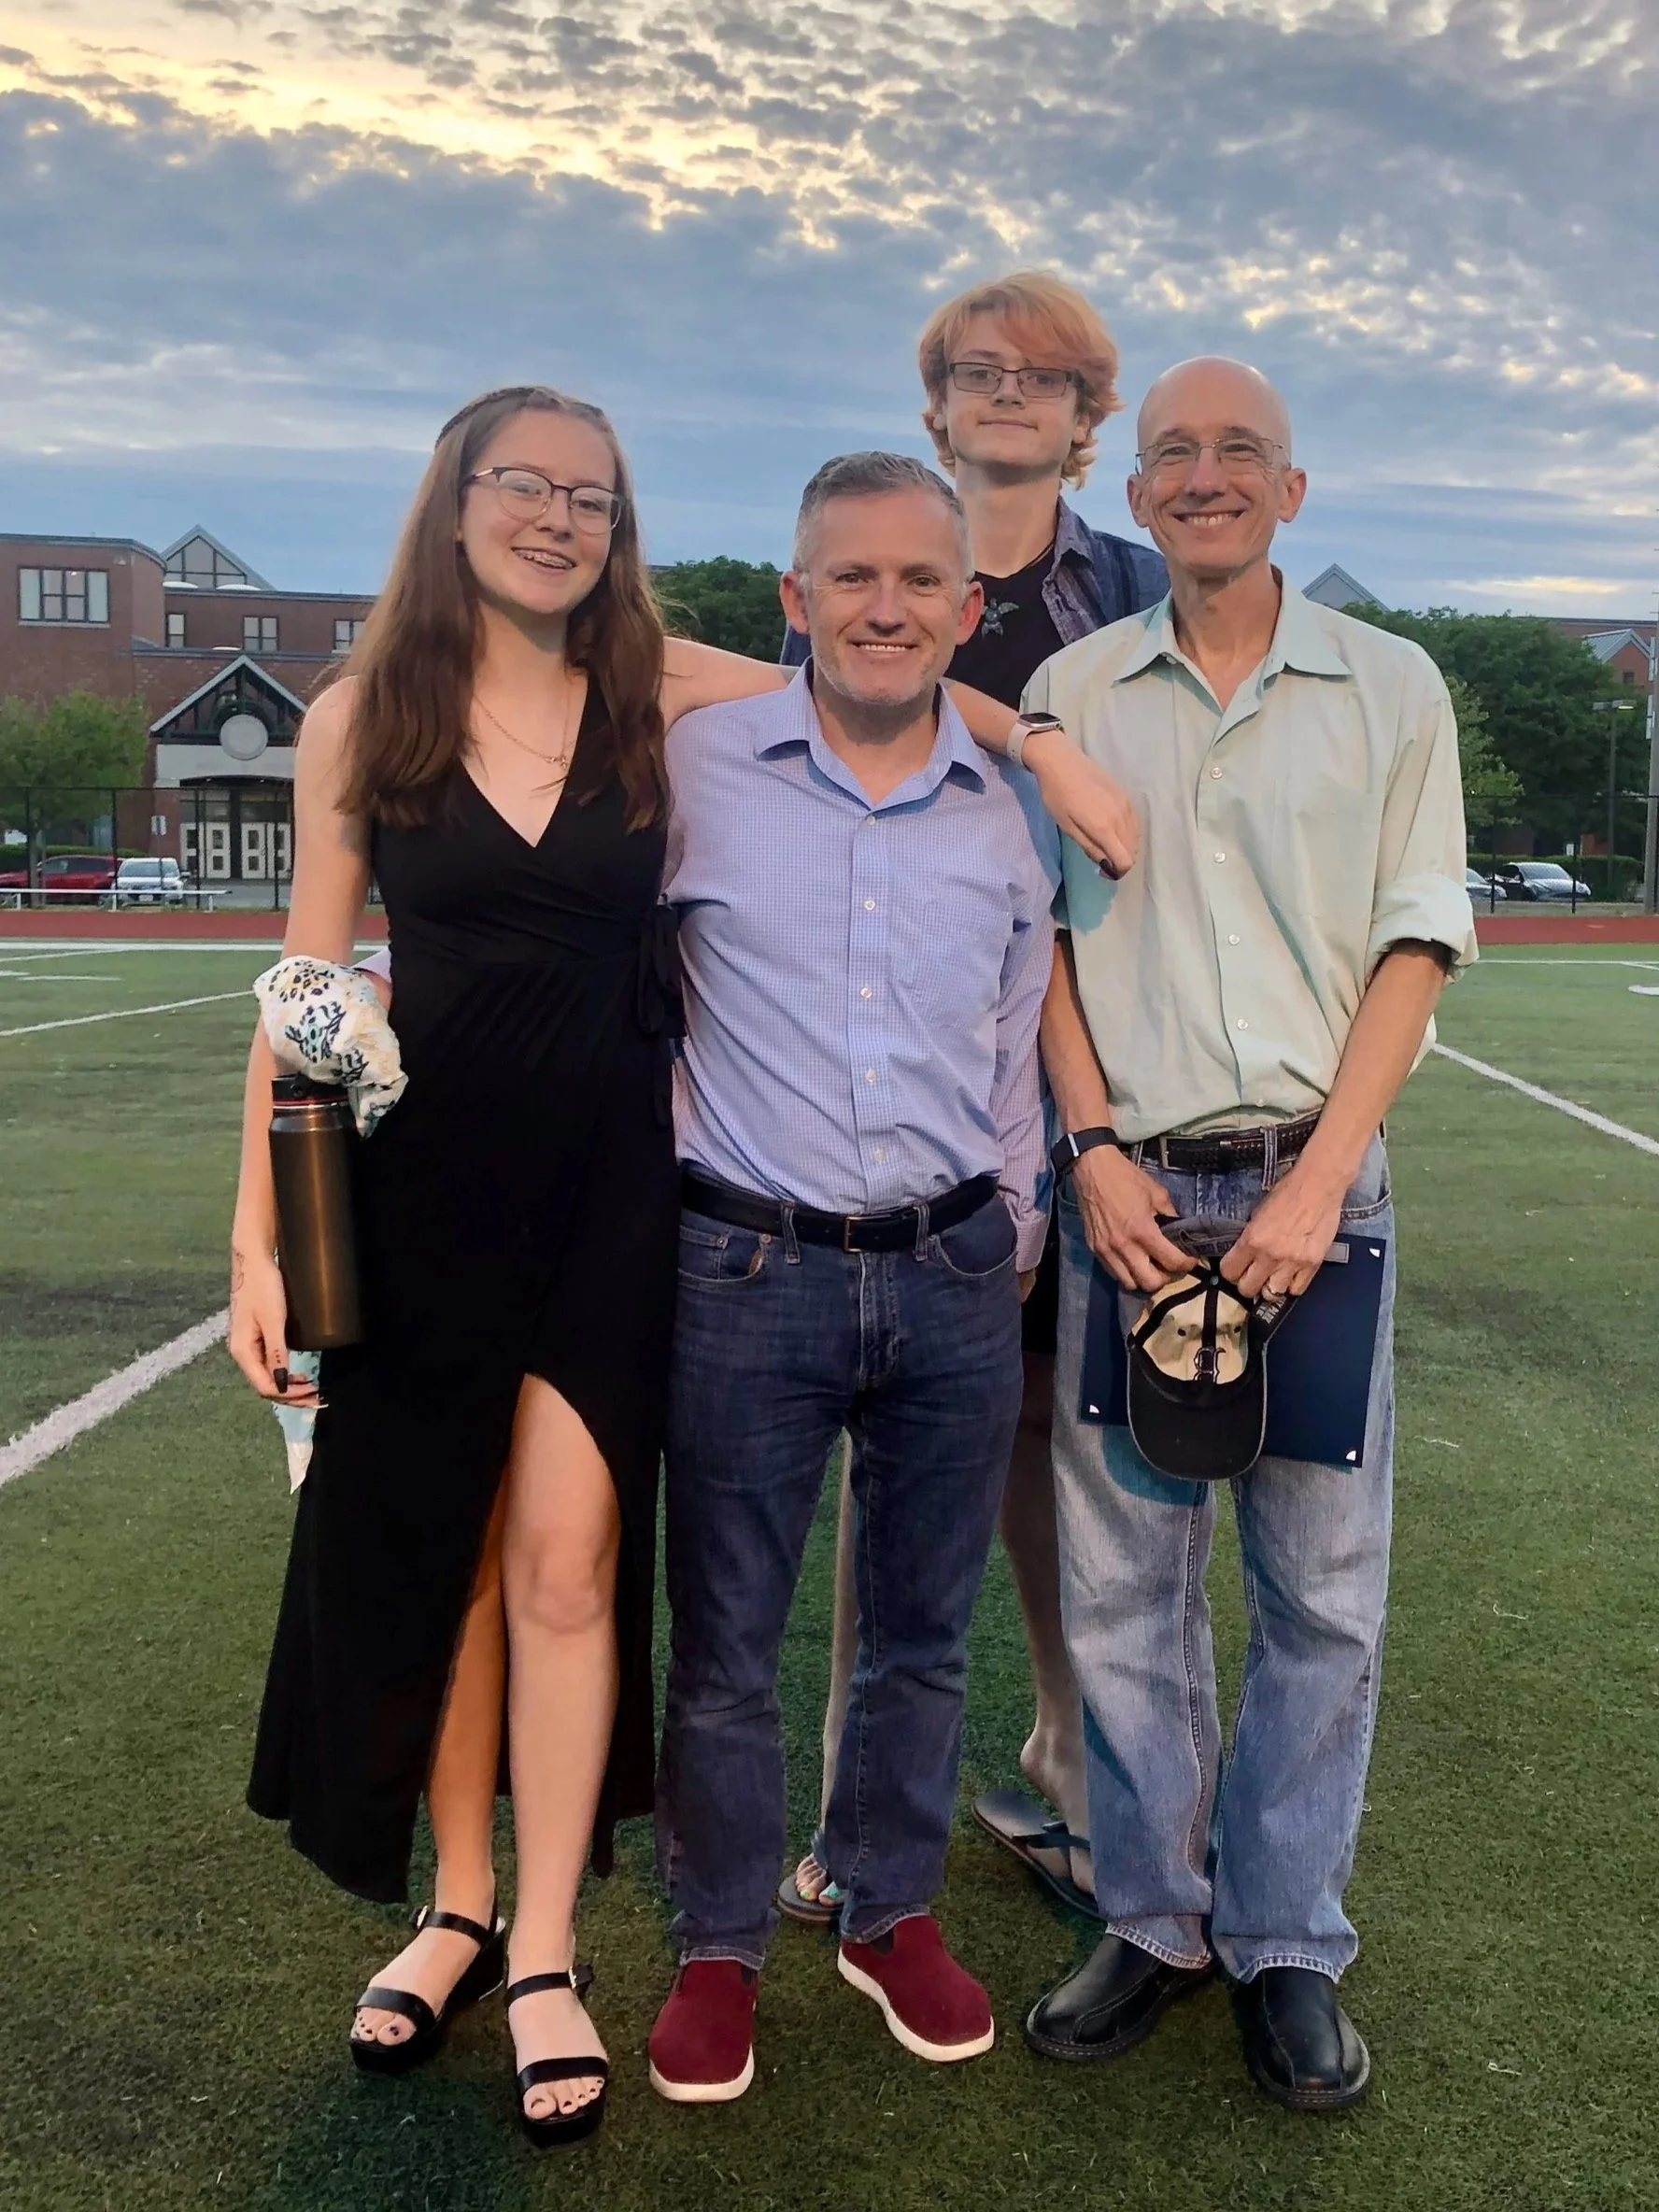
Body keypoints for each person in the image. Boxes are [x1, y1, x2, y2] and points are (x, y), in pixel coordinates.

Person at [228, 387, 1138, 2148]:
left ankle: (555, 1945)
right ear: (457, 498)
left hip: (619, 1200)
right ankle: (462, 1908)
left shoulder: (659, 691)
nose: (559, 517)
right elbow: (306, 992)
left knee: (571, 1565)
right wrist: (260, 1232)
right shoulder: (358, 715)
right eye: (525, 485)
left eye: (592, 492)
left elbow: (876, 670)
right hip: (419, 1195)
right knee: (456, 1569)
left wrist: (1037, 746)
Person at [1021, 357, 1476, 2111]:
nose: (1204, 477)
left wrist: (1313, 1180)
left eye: (1241, 454)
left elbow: (1414, 945)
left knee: (1323, 1598)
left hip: (1315, 1189)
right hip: (1128, 1194)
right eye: (1173, 456)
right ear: (1136, 496)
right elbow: (1038, 951)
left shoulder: (1393, 687)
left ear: (1292, 491)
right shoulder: (1069, 694)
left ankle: (1286, 1938)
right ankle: (1151, 1917)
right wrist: (1088, 1148)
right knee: (1127, 1590)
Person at [645, 452, 1061, 2103]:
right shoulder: (696, 770)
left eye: (918, 582)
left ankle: (887, 1909)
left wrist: (1014, 1219)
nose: (885, 607)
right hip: (746, 1264)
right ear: (795, 601)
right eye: (851, 578)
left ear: (966, 611)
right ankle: (720, 1941)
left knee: (922, 1632)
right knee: (729, 1636)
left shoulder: (1010, 802)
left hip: (957, 1265)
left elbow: (1026, 1017)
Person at [780, 272, 1167, 1924]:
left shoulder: (1145, 590)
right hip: (911, 1099)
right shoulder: (879, 564)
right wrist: (1027, 736)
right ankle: (857, 1806)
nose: (1009, 392)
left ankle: (1080, 1753)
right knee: (905, 1462)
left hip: (1107, 1090)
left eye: (1048, 376)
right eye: (977, 370)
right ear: (934, 402)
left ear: (1092, 420)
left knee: (1080, 1454)